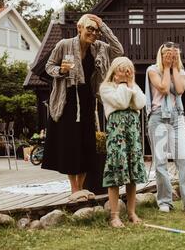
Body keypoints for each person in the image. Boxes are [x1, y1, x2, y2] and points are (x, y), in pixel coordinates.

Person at [42, 14, 124, 202]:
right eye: (90, 29)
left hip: (88, 100)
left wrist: (103, 26)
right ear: (79, 28)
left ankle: (83, 188)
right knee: (71, 145)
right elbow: (49, 66)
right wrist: (61, 71)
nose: (93, 33)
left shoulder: (99, 47)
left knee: (87, 144)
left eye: (96, 30)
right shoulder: (64, 45)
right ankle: (74, 189)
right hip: (67, 100)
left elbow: (119, 50)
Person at [145, 42, 185, 214]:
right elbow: (162, 88)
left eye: (173, 53)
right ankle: (164, 201)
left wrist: (174, 67)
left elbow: (179, 89)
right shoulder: (152, 70)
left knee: (184, 159)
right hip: (157, 116)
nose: (170, 56)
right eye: (167, 53)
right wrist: (167, 68)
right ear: (160, 55)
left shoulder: (181, 71)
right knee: (160, 161)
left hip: (176, 117)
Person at [99, 57, 147, 228]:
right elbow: (121, 102)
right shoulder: (106, 88)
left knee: (132, 174)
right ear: (114, 71)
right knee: (116, 172)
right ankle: (114, 216)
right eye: (122, 69)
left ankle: (132, 213)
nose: (126, 73)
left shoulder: (133, 86)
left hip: (132, 133)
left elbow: (140, 103)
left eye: (129, 70)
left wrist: (131, 84)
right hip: (116, 134)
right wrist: (123, 85)